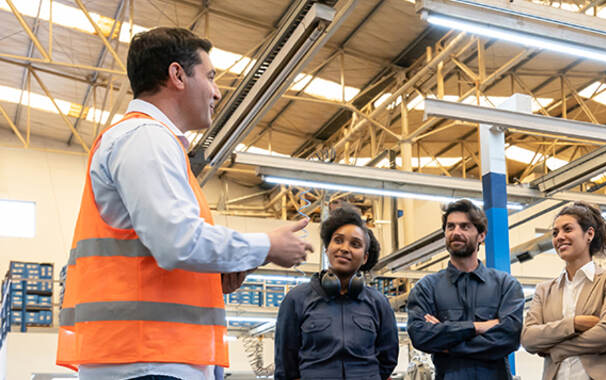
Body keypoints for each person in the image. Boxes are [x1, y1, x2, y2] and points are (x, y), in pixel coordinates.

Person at [56, 27, 314, 380]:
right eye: (209, 76)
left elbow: (163, 250)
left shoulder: (157, 145)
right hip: (147, 359)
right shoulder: (145, 138)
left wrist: (217, 275)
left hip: (155, 356)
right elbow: (177, 241)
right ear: (177, 75)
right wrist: (266, 245)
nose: (217, 91)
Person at [274, 205, 399, 380]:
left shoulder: (378, 302)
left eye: (355, 244)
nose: (344, 248)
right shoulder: (297, 299)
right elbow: (286, 367)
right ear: (327, 248)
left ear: (365, 257)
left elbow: (387, 361)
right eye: (338, 240)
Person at [406, 199, 525, 380]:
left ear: (481, 235)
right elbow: (420, 336)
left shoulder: (505, 286)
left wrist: (447, 342)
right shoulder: (427, 287)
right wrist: (477, 327)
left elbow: (509, 338)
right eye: (451, 227)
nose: (456, 232)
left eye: (465, 227)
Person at [523, 202, 606, 380]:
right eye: (555, 233)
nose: (559, 237)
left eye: (567, 229)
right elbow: (528, 339)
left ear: (589, 234)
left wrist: (556, 349)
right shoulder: (544, 290)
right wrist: (574, 324)